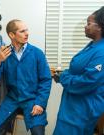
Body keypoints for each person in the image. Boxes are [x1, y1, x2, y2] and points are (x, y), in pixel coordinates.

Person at [0, 19, 52, 135]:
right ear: (12, 35)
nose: (27, 33)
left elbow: (46, 80)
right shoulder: (5, 54)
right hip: (12, 99)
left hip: (32, 100)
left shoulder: (37, 53)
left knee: (38, 132)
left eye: (27, 30)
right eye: (22, 31)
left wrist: (40, 103)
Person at [53, 6, 104, 135]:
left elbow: (88, 82)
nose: (85, 27)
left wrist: (64, 77)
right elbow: (80, 70)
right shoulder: (92, 45)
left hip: (83, 109)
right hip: (72, 105)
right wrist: (62, 74)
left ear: (99, 27)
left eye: (88, 24)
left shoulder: (102, 52)